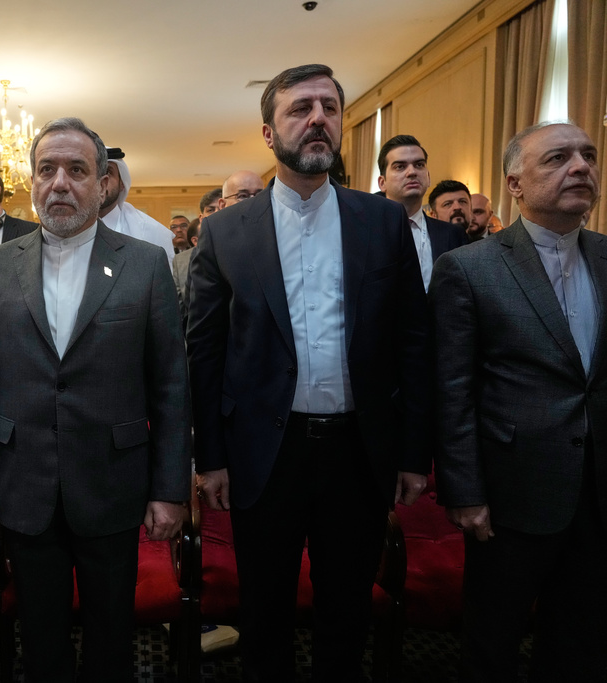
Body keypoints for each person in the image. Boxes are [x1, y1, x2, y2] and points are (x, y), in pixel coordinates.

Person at [187, 64, 431, 682]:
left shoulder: (382, 223)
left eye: (329, 106)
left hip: (358, 451)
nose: (318, 118)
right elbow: (205, 352)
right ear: (269, 133)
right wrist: (209, 457)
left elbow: (413, 342)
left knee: (346, 612)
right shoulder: (223, 233)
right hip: (264, 453)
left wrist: (411, 453)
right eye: (300, 109)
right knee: (264, 611)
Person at [0, 116, 189, 682]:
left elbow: (170, 388)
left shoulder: (144, 263)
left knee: (112, 638)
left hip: (112, 482)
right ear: (32, 182)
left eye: (77, 170)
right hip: (22, 483)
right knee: (40, 640)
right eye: (46, 170)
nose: (60, 182)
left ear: (103, 182)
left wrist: (169, 490)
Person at [431, 121, 607, 682]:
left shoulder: (606, 256)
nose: (580, 168)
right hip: (511, 493)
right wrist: (464, 490)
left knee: (583, 635)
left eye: (588, 156)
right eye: (558, 158)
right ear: (515, 184)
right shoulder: (470, 267)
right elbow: (452, 390)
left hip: (598, 489)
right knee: (495, 641)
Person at [377, 134, 467, 291]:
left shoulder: (453, 235)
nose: (412, 172)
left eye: (419, 165)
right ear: (382, 183)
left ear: (428, 177)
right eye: (400, 166)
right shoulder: (366, 232)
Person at [97, 146, 176, 265]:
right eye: (94, 173)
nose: (101, 181)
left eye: (108, 172)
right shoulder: (67, 227)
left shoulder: (154, 233)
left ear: (122, 183)